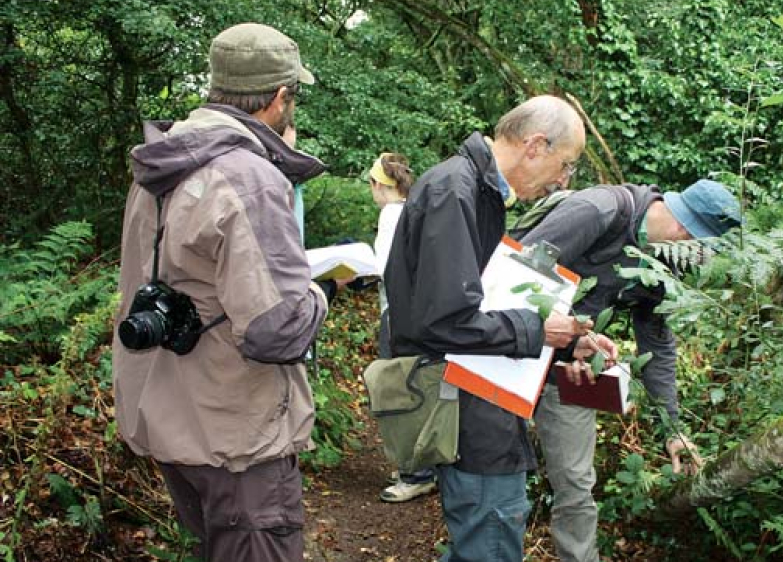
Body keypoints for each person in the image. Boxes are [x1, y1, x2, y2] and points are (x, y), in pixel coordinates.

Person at [112, 23, 335, 561]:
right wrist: (319, 295)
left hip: (175, 418)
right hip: (239, 437)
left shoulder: (162, 162)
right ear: (281, 97)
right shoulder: (247, 178)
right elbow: (277, 329)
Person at [383, 95, 617, 562]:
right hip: (468, 407)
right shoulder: (456, 191)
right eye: (566, 164)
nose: (563, 180)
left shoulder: (477, 192)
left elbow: (482, 303)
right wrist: (537, 330)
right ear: (535, 146)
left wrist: (566, 340)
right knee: (489, 540)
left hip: (481, 398)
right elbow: (448, 321)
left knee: (482, 536)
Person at [515, 179, 743, 562]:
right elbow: (517, 271)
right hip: (509, 353)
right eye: (702, 248)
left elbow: (656, 343)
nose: (699, 259)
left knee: (575, 484)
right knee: (499, 476)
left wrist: (671, 430)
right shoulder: (598, 211)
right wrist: (550, 332)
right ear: (686, 233)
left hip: (570, 366)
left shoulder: (662, 263)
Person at [367, 152, 439, 502]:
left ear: (380, 185)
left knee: (399, 390)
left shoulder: (391, 214)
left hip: (397, 314)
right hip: (419, 313)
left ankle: (415, 473)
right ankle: (423, 465)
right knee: (419, 386)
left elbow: (385, 267)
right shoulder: (415, 210)